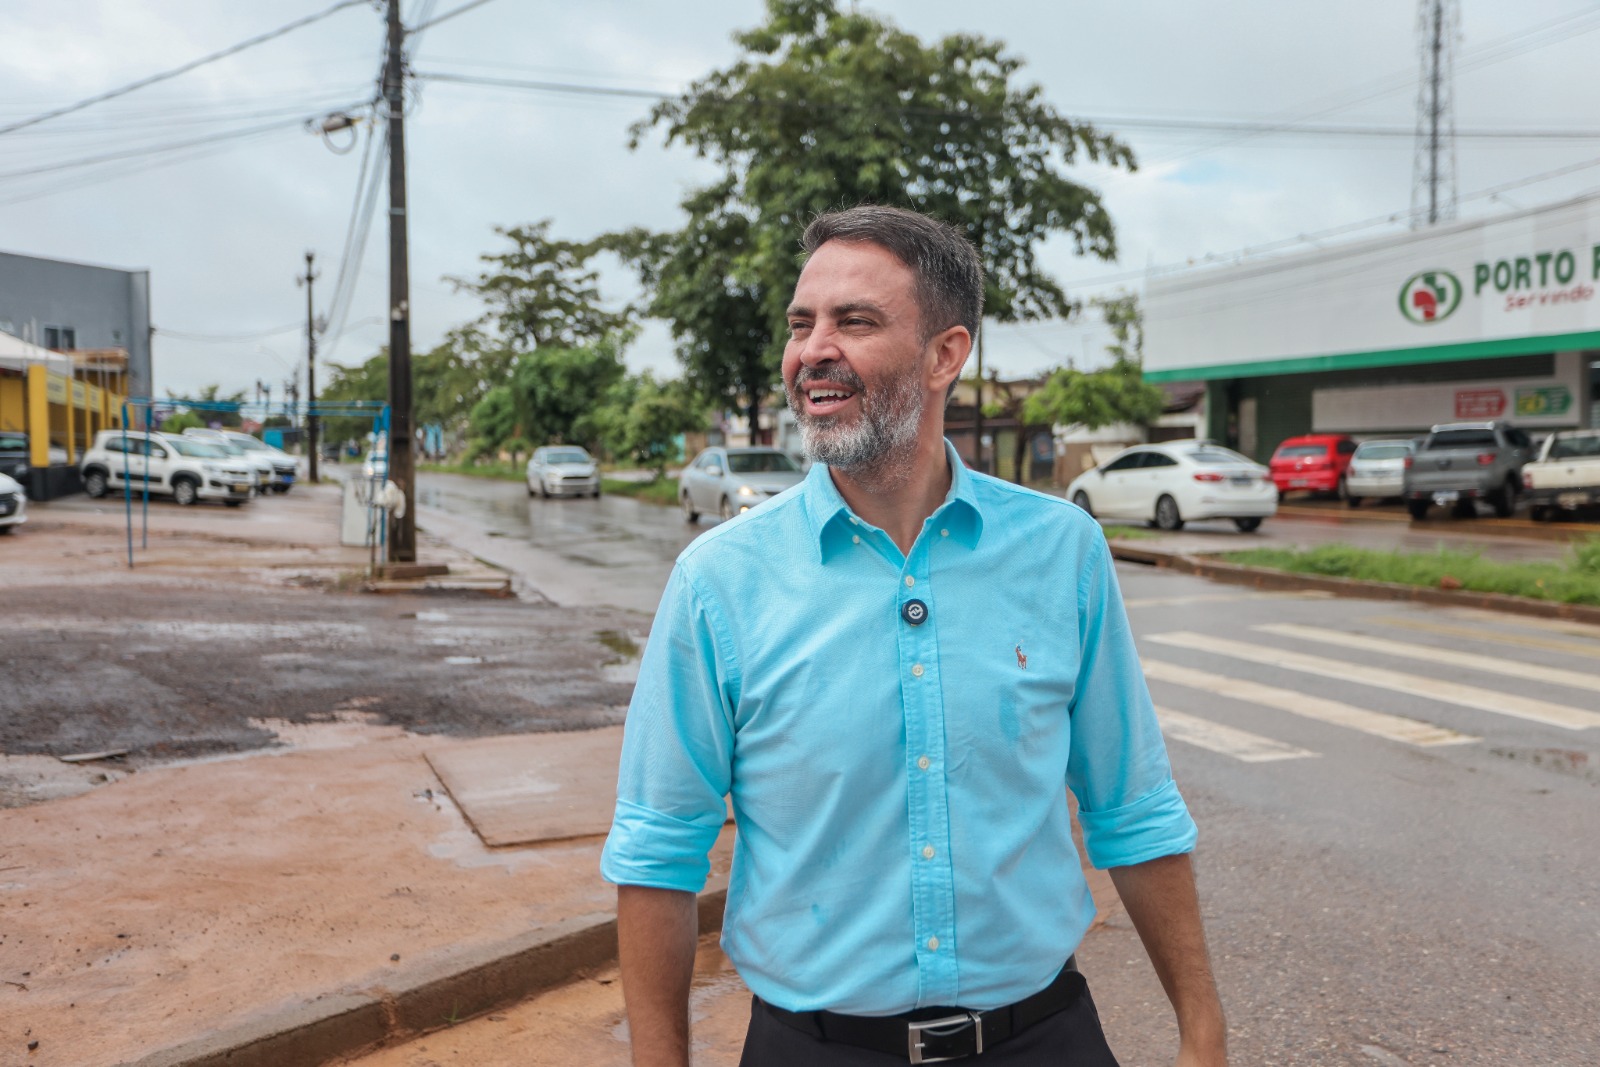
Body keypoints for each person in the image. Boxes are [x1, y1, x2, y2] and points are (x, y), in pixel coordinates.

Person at [601, 205, 1227, 1066]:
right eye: (800, 324)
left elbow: (1134, 809)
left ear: (946, 354)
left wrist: (1203, 1028)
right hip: (811, 1048)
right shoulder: (721, 581)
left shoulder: (1061, 551)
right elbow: (659, 850)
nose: (813, 349)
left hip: (1044, 1038)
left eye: (854, 321)